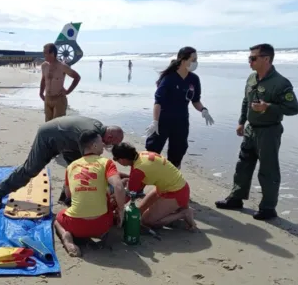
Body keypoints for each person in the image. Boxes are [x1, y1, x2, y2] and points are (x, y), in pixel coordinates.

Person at [215, 44, 298, 220]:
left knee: (268, 169)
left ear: (266, 59)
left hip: (269, 131)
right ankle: (236, 198)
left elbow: (292, 108)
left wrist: (268, 107)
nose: (249, 61)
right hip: (251, 129)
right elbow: (246, 101)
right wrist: (241, 122)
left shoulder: (280, 83)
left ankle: (268, 208)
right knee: (243, 164)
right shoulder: (252, 78)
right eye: (249, 58)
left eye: (253, 58)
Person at [0, 115, 124, 210]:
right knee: (31, 169)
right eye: (112, 144)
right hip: (49, 137)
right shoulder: (90, 133)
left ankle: (66, 198)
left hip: (67, 141)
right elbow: (90, 166)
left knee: (75, 168)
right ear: (110, 137)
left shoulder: (99, 128)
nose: (108, 147)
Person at [54, 130, 126, 257]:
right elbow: (119, 187)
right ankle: (102, 233)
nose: (103, 144)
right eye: (100, 141)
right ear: (94, 146)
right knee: (111, 200)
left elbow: (69, 195)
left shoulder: (71, 166)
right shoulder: (106, 163)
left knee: (57, 219)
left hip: (75, 225)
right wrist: (121, 210)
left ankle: (66, 236)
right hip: (101, 225)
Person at [145, 46, 214, 169]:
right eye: (193, 59)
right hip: (163, 120)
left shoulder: (194, 79)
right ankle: (139, 185)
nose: (195, 63)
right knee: (152, 152)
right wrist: (155, 121)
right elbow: (158, 102)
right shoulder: (169, 78)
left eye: (197, 59)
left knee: (178, 151)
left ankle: (171, 182)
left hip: (181, 121)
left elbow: (195, 100)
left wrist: (203, 110)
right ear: (183, 60)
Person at [111, 142, 197, 230]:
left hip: (177, 193)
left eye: (115, 159)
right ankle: (177, 208)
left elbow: (130, 195)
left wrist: (115, 207)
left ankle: (183, 213)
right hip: (171, 186)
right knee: (139, 212)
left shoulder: (138, 170)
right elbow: (137, 184)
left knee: (146, 221)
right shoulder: (142, 155)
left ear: (122, 159)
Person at [39, 43, 81, 122]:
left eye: (45, 52)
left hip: (59, 99)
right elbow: (43, 79)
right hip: (48, 99)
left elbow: (77, 77)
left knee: (57, 125)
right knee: (48, 126)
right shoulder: (44, 66)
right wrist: (41, 93)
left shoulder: (62, 66)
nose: (43, 54)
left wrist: (68, 91)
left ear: (52, 53)